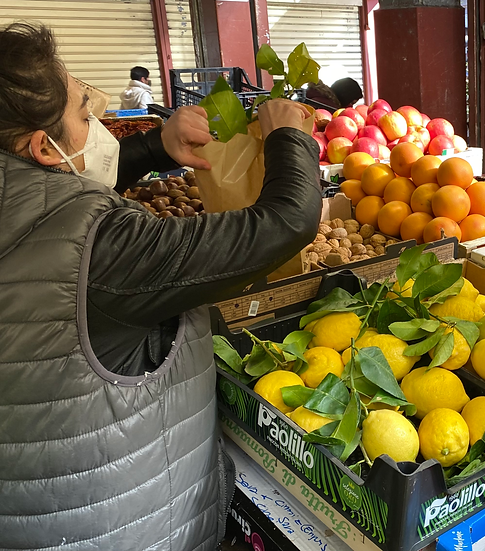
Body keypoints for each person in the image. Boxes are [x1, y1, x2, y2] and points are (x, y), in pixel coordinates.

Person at [0, 22, 320, 548]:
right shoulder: (100, 246)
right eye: (85, 115)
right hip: (120, 523)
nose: (95, 124)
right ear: (43, 147)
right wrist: (291, 138)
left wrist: (155, 148)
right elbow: (286, 223)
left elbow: (44, 196)